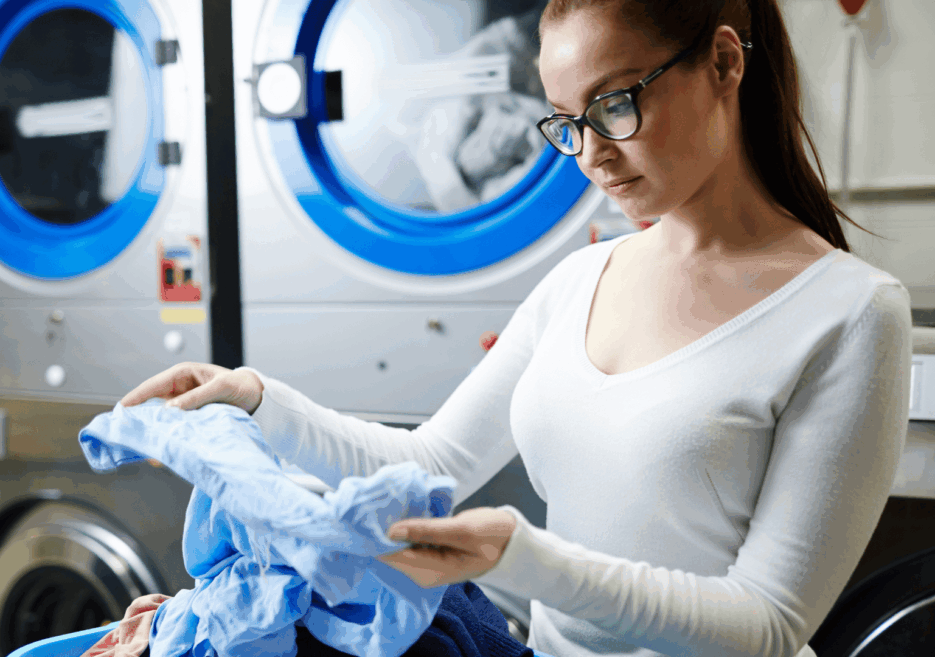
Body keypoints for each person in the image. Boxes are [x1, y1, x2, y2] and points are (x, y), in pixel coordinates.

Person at [122, 0, 913, 655]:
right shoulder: (581, 278)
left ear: (724, 62)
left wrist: (524, 558)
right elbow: (430, 458)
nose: (592, 154)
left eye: (614, 103)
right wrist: (254, 396)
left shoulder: (847, 312)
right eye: (567, 122)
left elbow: (768, 623)